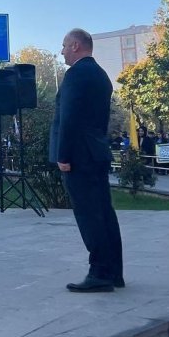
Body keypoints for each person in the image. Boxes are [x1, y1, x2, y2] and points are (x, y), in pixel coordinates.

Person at [49, 28, 123, 292]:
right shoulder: (101, 75)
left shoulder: (76, 74)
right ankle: (114, 272)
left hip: (78, 155)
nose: (62, 51)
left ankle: (100, 273)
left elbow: (69, 118)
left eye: (64, 45)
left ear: (77, 46)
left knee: (89, 214)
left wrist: (63, 155)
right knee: (104, 212)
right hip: (96, 152)